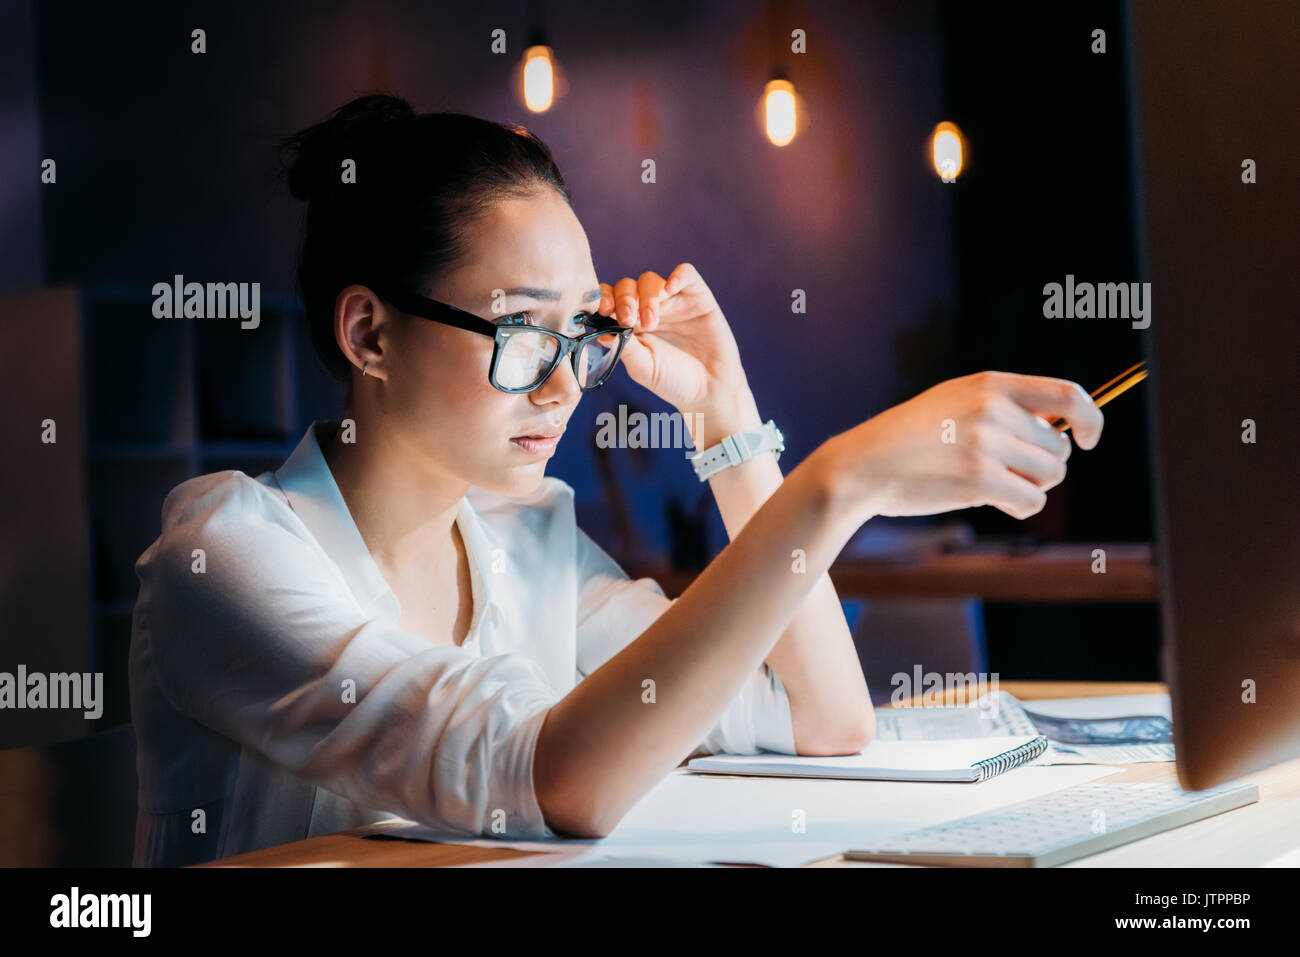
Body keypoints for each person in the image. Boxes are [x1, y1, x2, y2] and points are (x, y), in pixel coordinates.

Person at [128, 92, 1103, 866]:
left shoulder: (527, 544)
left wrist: (727, 419)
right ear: (369, 334)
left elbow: (823, 719)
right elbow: (555, 778)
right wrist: (836, 482)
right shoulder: (226, 556)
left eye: (581, 334)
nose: (563, 384)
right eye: (520, 331)